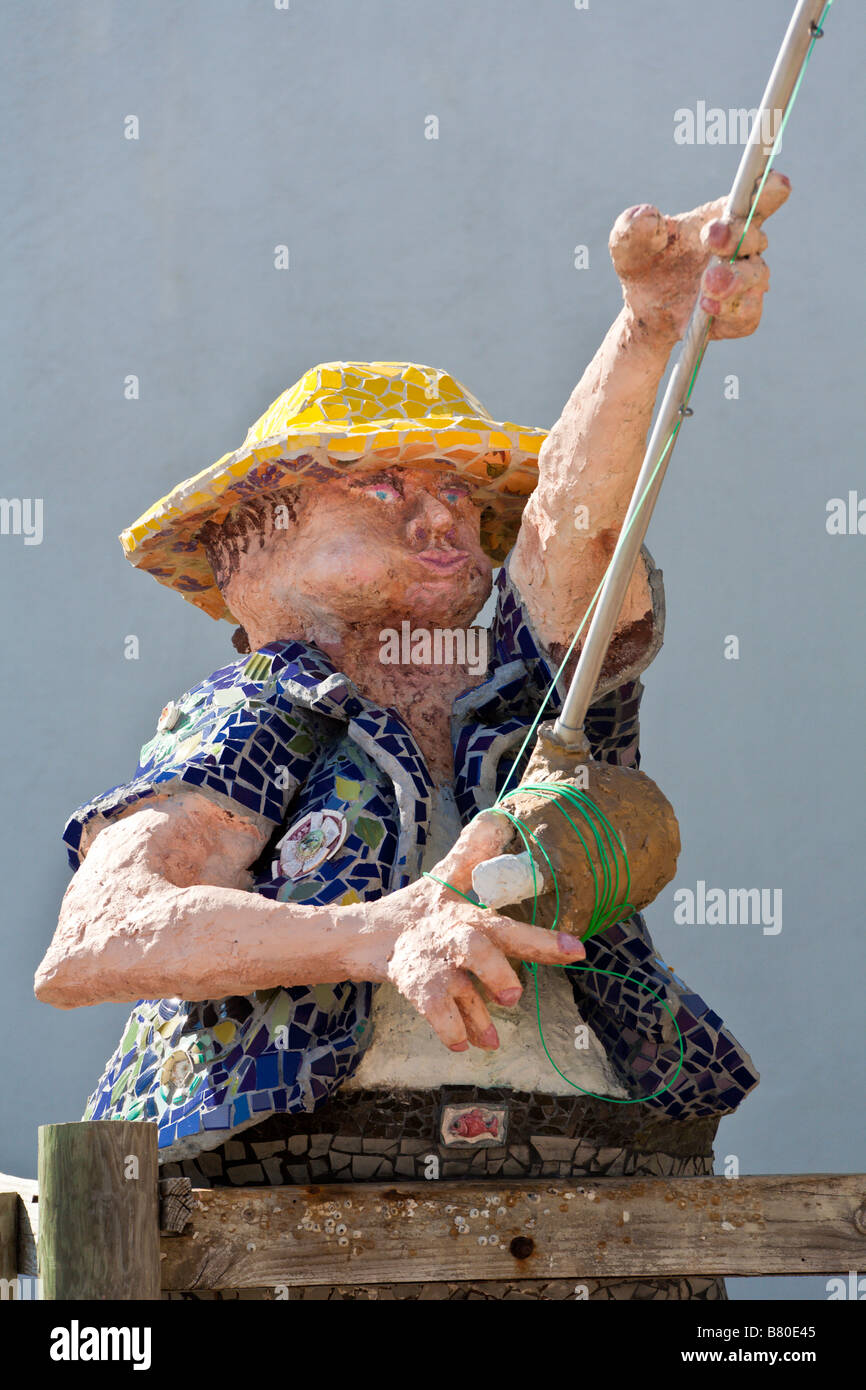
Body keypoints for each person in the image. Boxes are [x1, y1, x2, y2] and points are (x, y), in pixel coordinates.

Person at [35, 178, 789, 1297]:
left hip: (583, 1168)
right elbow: (100, 937)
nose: (437, 512)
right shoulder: (265, 715)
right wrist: (378, 933)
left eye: (454, 491)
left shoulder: (529, 694)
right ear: (248, 552)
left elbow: (570, 528)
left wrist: (646, 332)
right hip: (303, 1194)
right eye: (380, 484)